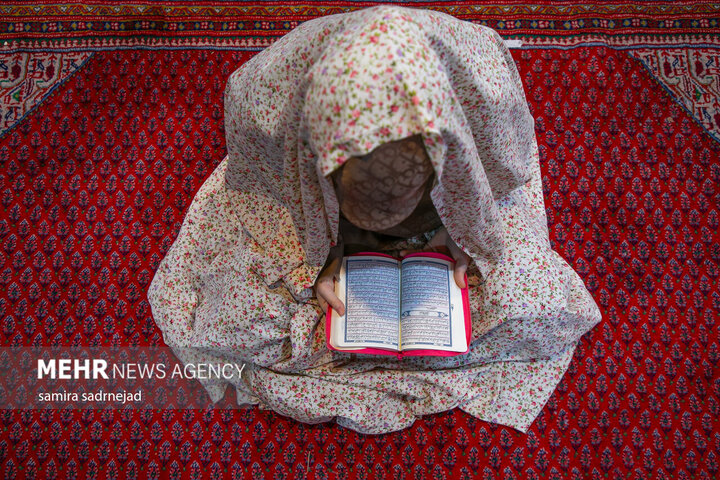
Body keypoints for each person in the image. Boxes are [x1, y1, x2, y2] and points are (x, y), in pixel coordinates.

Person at [148, 5, 601, 434]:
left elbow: (487, 185)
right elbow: (285, 198)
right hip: (324, 204)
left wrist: (456, 234)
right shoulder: (265, 101)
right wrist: (326, 254)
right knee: (238, 315)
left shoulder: (483, 91)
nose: (385, 231)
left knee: (530, 299)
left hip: (433, 199)